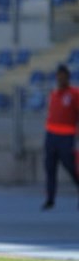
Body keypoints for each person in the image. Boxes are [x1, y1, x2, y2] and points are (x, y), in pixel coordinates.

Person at [42, 64, 79, 210]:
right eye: (58, 75)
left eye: (63, 75)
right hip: (51, 134)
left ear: (67, 77)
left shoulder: (74, 94)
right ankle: (50, 199)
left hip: (67, 135)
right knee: (50, 168)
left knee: (71, 167)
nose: (60, 78)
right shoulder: (53, 93)